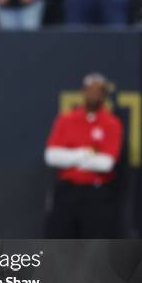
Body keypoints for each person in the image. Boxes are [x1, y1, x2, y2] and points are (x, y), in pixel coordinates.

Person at [44, 73, 123, 239]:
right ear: (83, 91)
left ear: (104, 94)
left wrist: (69, 158)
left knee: (94, 249)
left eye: (99, 90)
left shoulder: (112, 123)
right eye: (90, 90)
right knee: (59, 244)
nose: (94, 94)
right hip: (67, 191)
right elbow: (51, 156)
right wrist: (85, 154)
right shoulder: (66, 119)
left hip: (96, 195)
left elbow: (106, 163)